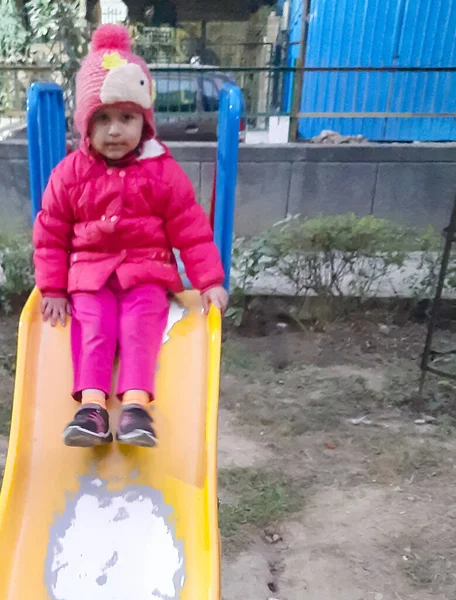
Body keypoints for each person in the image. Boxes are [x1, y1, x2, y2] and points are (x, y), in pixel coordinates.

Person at [33, 24, 228, 448]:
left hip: (147, 274)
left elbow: (190, 229)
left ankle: (136, 406)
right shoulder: (70, 174)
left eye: (127, 118)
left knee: (141, 323)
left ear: (145, 121)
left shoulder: (162, 173)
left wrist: (209, 280)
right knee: (93, 324)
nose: (115, 131)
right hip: (89, 276)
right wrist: (53, 287)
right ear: (86, 125)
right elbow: (50, 233)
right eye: (102, 119)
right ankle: (92, 407)